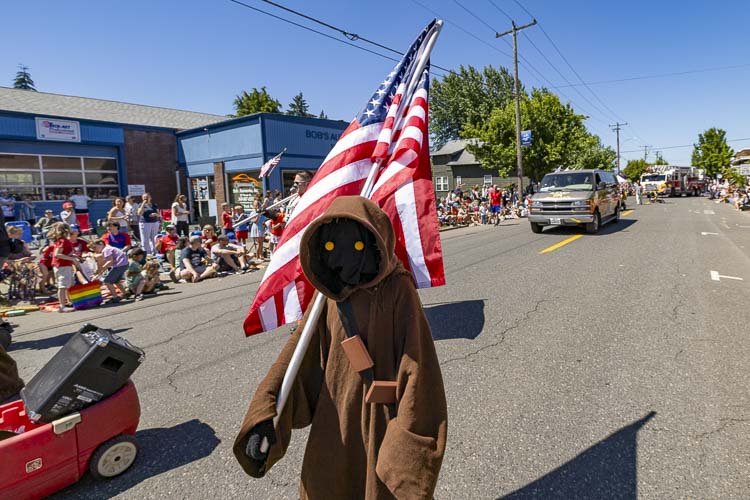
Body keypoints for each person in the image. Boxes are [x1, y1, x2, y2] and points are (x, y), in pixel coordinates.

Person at [234, 197, 447, 498]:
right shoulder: (328, 293)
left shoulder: (398, 289)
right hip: (332, 421)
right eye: (332, 249)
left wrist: (409, 451)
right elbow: (298, 355)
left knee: (378, 487)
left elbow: (419, 370)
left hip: (381, 422)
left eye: (357, 248)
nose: (344, 260)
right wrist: (267, 415)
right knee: (328, 485)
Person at [49, 223, 79, 313]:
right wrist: (72, 259)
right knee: (62, 286)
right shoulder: (63, 241)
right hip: (62, 266)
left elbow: (63, 253)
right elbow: (57, 254)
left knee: (67, 285)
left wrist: (72, 256)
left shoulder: (61, 240)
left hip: (64, 265)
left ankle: (69, 302)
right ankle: (62, 306)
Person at [91, 238, 128, 304]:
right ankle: (125, 293)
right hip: (123, 264)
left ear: (101, 244)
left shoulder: (106, 250)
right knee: (116, 281)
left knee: (107, 281)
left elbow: (110, 261)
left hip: (119, 265)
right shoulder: (108, 248)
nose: (94, 250)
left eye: (94, 247)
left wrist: (102, 269)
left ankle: (115, 297)